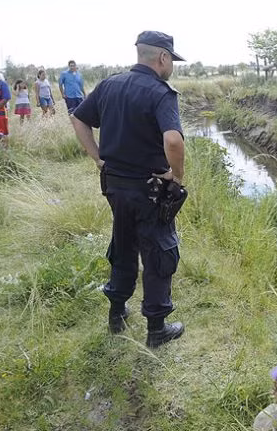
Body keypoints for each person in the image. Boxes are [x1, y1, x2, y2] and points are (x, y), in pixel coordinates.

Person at [71, 31, 186, 348]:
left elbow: (79, 119)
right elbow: (173, 140)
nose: (172, 67)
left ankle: (117, 313)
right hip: (150, 189)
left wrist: (98, 158)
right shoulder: (161, 94)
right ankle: (157, 329)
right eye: (171, 60)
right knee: (159, 251)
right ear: (162, 57)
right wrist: (177, 177)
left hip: (114, 185)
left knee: (123, 244)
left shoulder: (110, 84)